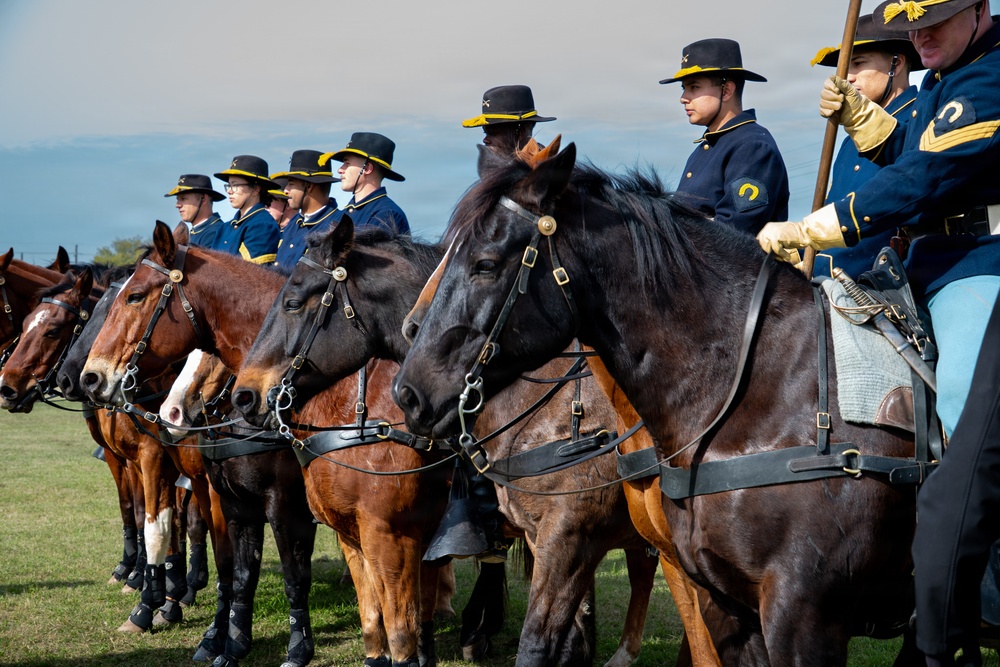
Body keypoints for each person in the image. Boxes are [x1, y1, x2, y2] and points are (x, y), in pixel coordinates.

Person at [757, 1, 1000, 663]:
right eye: (913, 23)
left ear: (980, 10)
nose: (920, 34)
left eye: (936, 19)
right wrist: (868, 123)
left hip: (979, 264)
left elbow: (927, 177)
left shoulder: (989, 77)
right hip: (918, 269)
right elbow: (911, 148)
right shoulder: (945, 78)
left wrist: (816, 228)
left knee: (959, 414)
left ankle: (985, 591)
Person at [810, 14, 923, 278]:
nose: (847, 77)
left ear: (897, 62)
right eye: (844, 67)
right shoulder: (851, 139)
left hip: (889, 281)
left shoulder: (921, 119)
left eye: (858, 63)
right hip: (831, 280)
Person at [660, 38, 790, 235]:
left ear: (727, 90)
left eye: (694, 87)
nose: (683, 98)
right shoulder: (710, 145)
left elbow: (732, 235)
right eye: (684, 88)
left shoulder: (752, 146)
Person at [271, 150, 345, 271]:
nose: (285, 190)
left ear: (309, 186)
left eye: (291, 184)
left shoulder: (336, 225)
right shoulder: (295, 221)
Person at [322, 132, 410, 235]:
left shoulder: (387, 215)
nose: (340, 170)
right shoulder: (344, 213)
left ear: (367, 168)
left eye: (347, 163)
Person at [211, 155, 280, 264]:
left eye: (235, 185)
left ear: (255, 189)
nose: (229, 191)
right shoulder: (224, 228)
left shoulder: (264, 225)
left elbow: (253, 274)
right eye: (229, 185)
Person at [461, 84, 556, 154]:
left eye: (493, 133)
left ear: (520, 133)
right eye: (486, 133)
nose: (485, 140)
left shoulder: (546, 174)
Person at [164, 174, 226, 249]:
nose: (177, 205)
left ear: (204, 199)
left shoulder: (216, 233)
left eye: (183, 199)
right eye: (178, 199)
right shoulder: (198, 231)